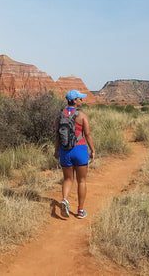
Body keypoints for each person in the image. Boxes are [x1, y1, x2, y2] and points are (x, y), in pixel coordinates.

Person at [54, 89, 95, 219]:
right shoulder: (82, 116)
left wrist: (56, 150)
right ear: (74, 100)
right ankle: (80, 211)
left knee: (67, 179)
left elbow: (57, 136)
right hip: (80, 150)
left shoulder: (61, 115)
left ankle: (65, 200)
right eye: (79, 98)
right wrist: (93, 150)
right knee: (81, 181)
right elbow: (87, 134)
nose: (81, 100)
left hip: (65, 151)